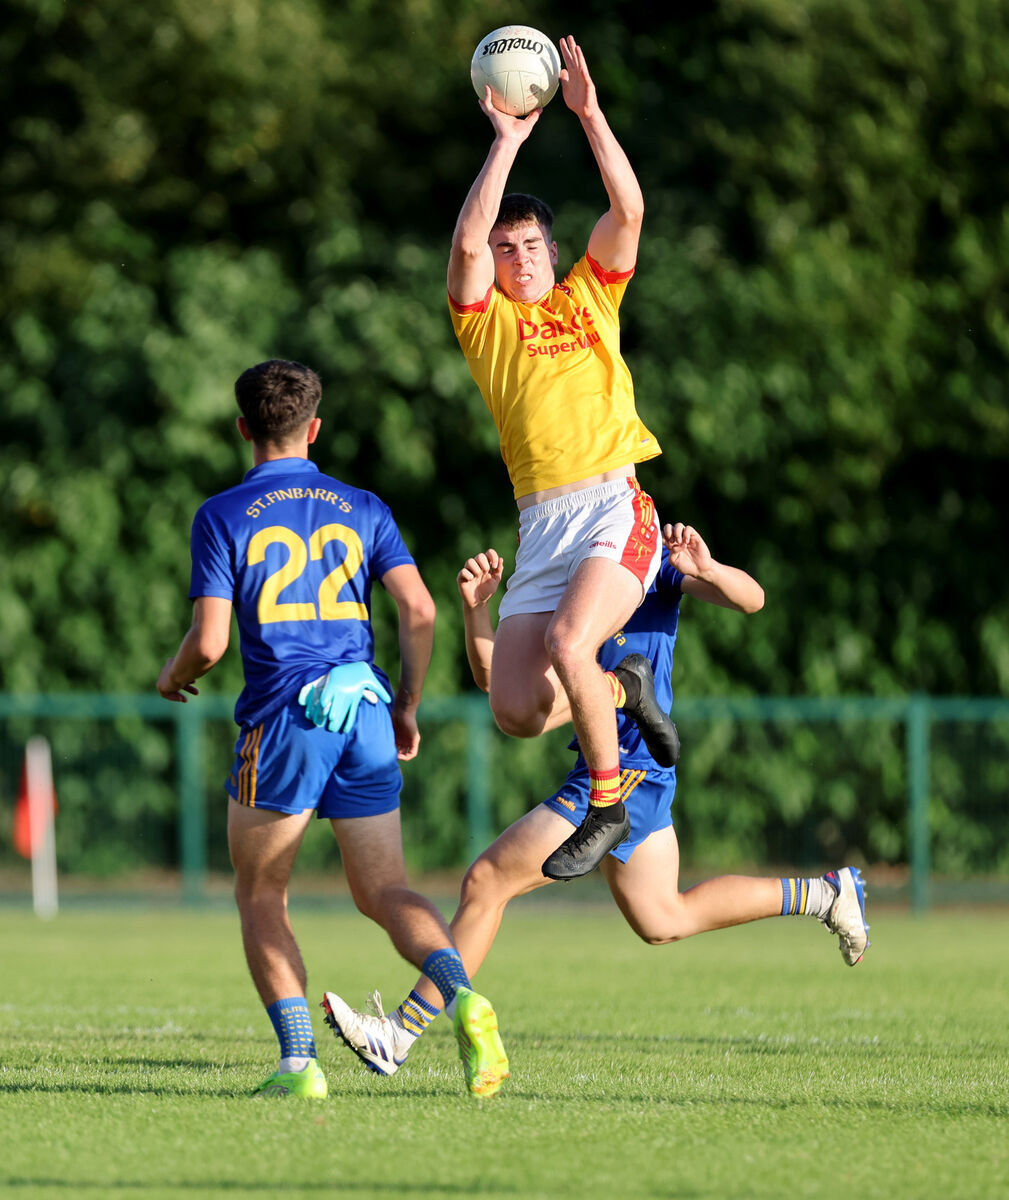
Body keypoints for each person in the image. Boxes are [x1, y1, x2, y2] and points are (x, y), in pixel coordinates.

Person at [320, 523, 871, 1076]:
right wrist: (477, 612)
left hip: (628, 769)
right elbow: (501, 689)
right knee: (663, 917)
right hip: (617, 767)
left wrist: (707, 568)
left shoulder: (643, 558)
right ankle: (826, 895)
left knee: (487, 882)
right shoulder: (558, 580)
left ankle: (398, 1033)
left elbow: (753, 599)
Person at [156, 359, 508, 1100]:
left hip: (287, 718)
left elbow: (209, 643)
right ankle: (464, 997)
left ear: (244, 428)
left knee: (261, 893)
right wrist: (405, 702)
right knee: (386, 889)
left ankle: (299, 1067)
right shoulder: (363, 506)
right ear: (314, 429)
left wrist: (172, 674)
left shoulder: (221, 514)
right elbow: (420, 609)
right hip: (365, 707)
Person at [447, 34, 678, 878]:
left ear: (552, 248)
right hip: (542, 525)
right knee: (513, 708)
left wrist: (587, 114)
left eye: (529, 245)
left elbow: (629, 213)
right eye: (504, 249)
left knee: (569, 642)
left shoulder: (590, 293)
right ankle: (625, 690)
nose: (515, 259)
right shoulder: (487, 325)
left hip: (614, 506)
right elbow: (465, 249)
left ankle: (605, 806)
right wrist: (506, 141)